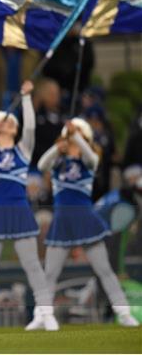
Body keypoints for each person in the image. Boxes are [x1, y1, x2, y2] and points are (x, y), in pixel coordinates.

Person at [0, 81, 58, 334]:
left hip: (18, 210)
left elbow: (30, 126)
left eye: (8, 122)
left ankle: (46, 313)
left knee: (32, 265)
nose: (7, 125)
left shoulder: (22, 149)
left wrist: (27, 99)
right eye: (2, 123)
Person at [37, 118, 139, 327]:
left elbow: (92, 158)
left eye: (78, 136)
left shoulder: (88, 161)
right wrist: (57, 148)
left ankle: (124, 313)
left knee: (104, 269)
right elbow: (41, 165)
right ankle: (42, 316)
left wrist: (76, 137)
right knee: (50, 273)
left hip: (85, 219)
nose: (73, 140)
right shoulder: (58, 161)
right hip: (63, 221)